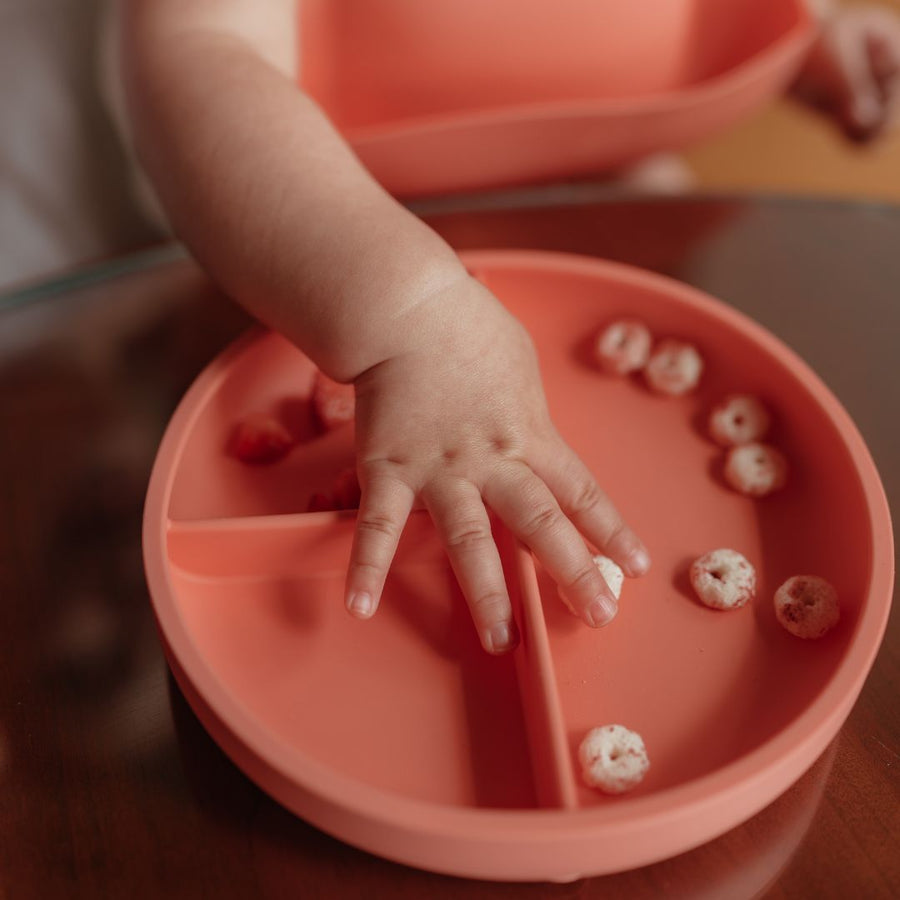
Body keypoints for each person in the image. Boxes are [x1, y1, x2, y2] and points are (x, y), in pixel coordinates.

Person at [116, 0, 900, 655]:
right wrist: (411, 311)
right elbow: (196, 51)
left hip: (626, 226)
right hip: (324, 259)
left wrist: (807, 35)